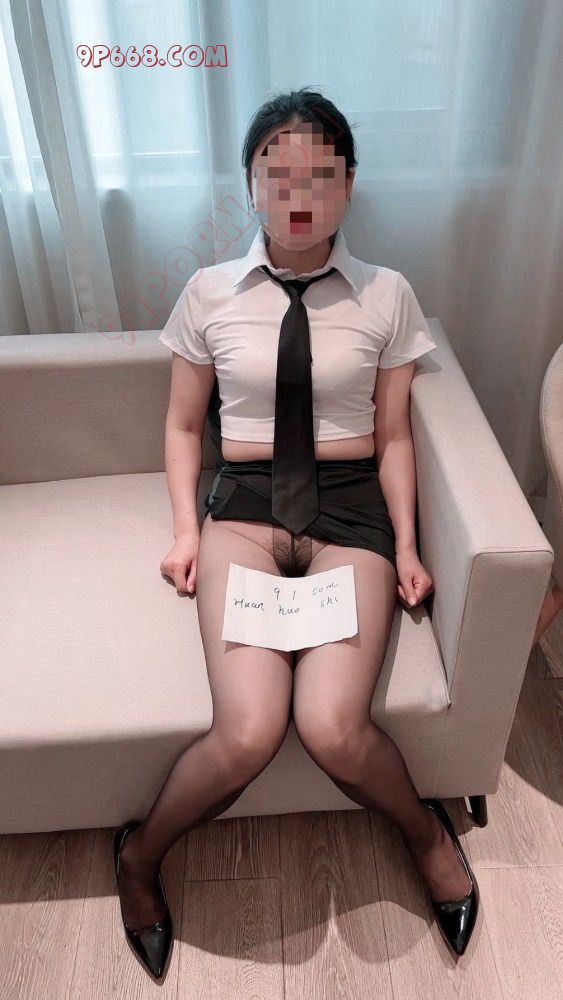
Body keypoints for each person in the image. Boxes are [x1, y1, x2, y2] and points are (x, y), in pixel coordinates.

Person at [114, 87, 479, 979]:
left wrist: (408, 545)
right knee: (246, 732)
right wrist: (185, 533)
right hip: (243, 508)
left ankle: (423, 833)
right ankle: (138, 856)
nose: (298, 192)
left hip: (349, 511)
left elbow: (395, 436)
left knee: (332, 726)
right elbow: (182, 427)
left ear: (349, 184)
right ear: (249, 186)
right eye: (276, 173)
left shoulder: (387, 293)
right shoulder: (208, 292)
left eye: (320, 173)